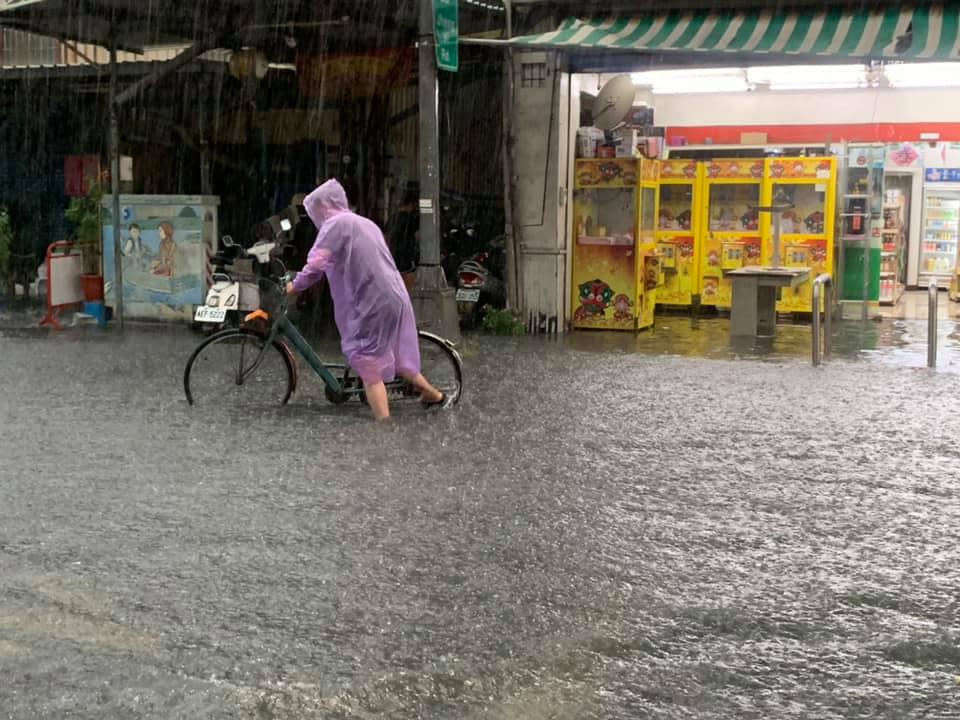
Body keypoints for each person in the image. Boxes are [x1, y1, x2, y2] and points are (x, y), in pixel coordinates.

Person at [287, 179, 448, 421]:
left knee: (368, 362)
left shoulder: (336, 225)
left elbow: (317, 264)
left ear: (323, 207)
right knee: (394, 351)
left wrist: (295, 285)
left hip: (373, 300)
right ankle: (433, 394)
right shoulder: (363, 223)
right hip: (393, 294)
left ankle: (384, 428)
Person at [388, 188, 419, 291]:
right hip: (406, 260)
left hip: (393, 259)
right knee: (407, 289)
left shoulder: (392, 219)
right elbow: (418, 237)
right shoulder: (411, 220)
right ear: (411, 204)